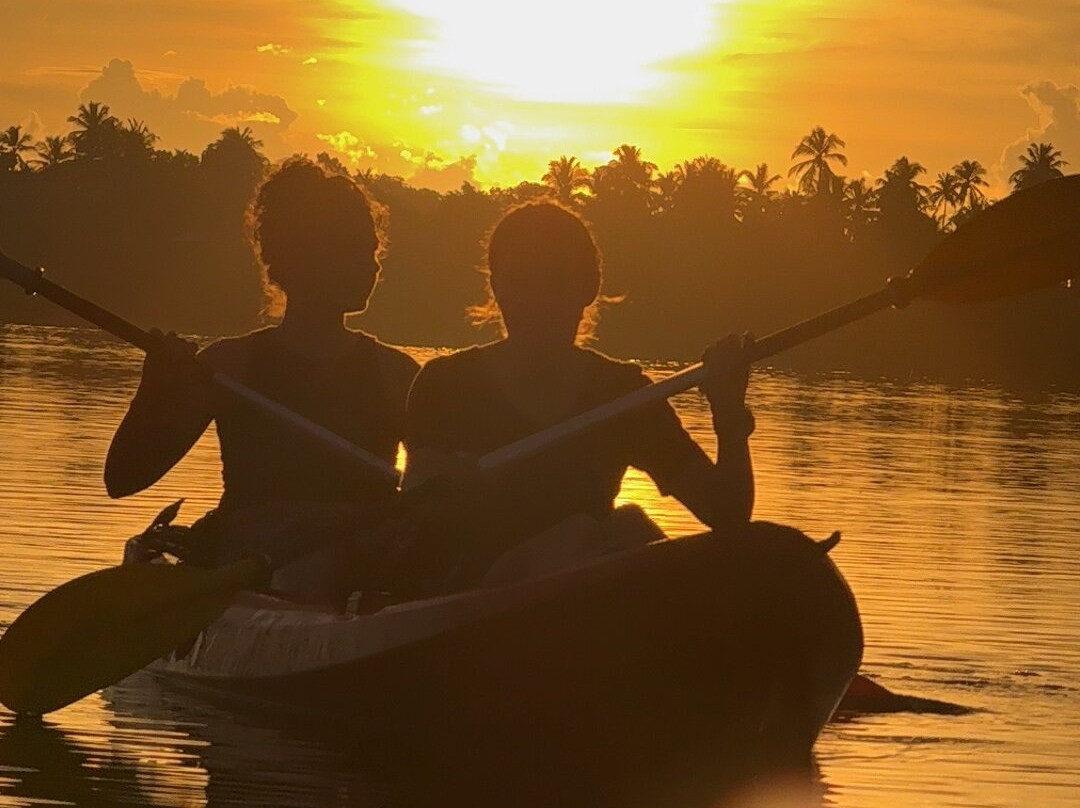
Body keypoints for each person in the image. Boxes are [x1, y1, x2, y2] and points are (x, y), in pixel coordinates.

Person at [105, 157, 419, 604]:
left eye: (372, 251)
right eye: (351, 251)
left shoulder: (399, 375)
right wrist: (153, 388)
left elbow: (433, 491)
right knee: (307, 570)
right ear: (298, 259)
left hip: (362, 560)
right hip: (253, 559)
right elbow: (123, 479)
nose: (372, 267)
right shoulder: (230, 366)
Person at [400, 200, 754, 592]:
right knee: (601, 534)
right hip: (480, 593)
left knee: (628, 527)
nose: (536, 300)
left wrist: (728, 412)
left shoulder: (623, 393)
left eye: (556, 281)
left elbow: (726, 513)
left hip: (589, 592)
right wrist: (443, 490)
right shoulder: (445, 384)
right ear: (496, 287)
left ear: (589, 287)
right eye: (519, 282)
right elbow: (416, 519)